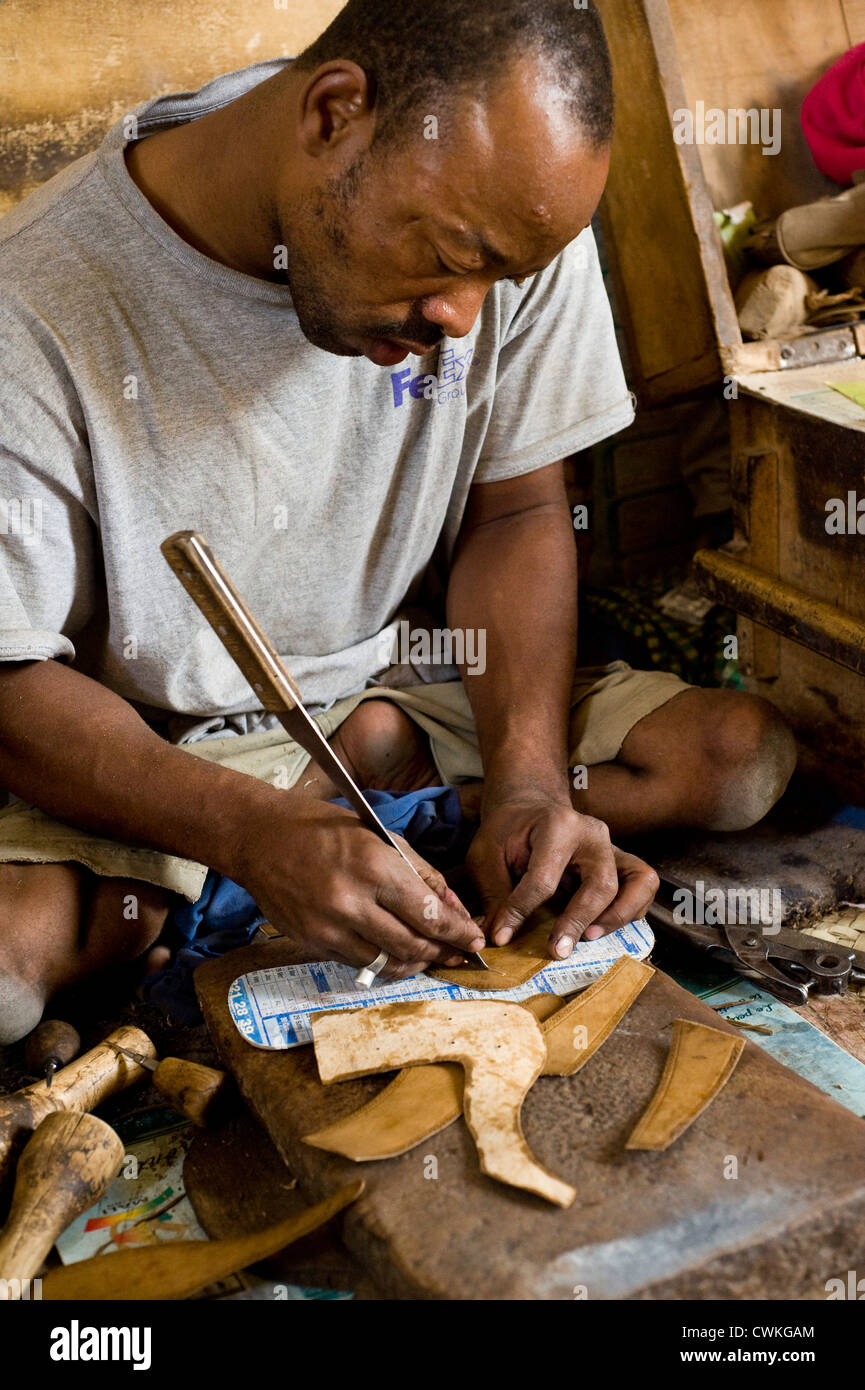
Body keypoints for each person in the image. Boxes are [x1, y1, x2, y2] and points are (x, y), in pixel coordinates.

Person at [0, 0, 796, 1043]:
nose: (462, 321)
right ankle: (292, 847)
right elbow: (11, 678)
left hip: (408, 685)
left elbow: (515, 508)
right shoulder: (35, 305)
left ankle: (390, 803)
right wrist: (249, 828)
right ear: (334, 115)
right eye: (452, 257)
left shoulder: (504, 206)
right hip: (177, 750)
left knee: (737, 758)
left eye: (501, 278)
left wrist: (527, 779)